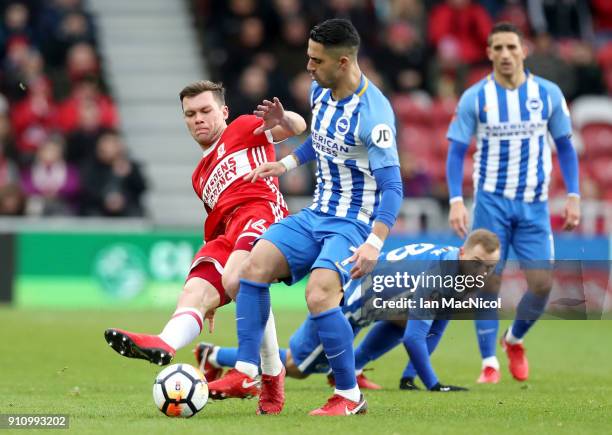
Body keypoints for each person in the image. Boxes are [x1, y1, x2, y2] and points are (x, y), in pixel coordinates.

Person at [208, 19, 403, 416]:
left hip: (354, 223)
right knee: (253, 267)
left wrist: (374, 243)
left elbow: (393, 189)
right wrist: (287, 163)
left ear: (344, 62)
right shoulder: (321, 90)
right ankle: (247, 370)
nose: (309, 67)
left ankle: (349, 396)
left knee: (318, 295)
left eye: (316, 60)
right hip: (317, 213)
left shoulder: (375, 116)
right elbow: (321, 139)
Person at [104, 81, 306, 368]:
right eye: (189, 114)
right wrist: (211, 290)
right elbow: (219, 222)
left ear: (223, 112)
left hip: (261, 213)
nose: (198, 118)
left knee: (238, 279)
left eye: (205, 110)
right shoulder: (199, 176)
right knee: (194, 291)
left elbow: (297, 126)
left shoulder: (245, 127)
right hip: (229, 232)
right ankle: (165, 341)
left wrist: (284, 118)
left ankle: (267, 375)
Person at [196, 230, 499, 392]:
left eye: (490, 267)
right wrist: (434, 385)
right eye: (477, 262)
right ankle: (214, 354)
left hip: (377, 302)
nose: (482, 271)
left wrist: (411, 377)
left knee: (399, 320)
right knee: (295, 367)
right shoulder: (442, 273)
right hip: (350, 298)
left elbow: (434, 324)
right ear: (462, 252)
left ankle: (351, 370)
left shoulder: (462, 272)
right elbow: (415, 337)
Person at [445, 22, 580, 384]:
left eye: (511, 47)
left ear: (524, 50)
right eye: (498, 48)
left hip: (534, 205)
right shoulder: (475, 96)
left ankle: (514, 340)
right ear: (488, 53)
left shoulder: (548, 94)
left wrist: (573, 195)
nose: (505, 54)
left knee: (541, 284)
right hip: (491, 203)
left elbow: (565, 146)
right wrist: (457, 200)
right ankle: (489, 362)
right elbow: (456, 151)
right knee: (485, 282)